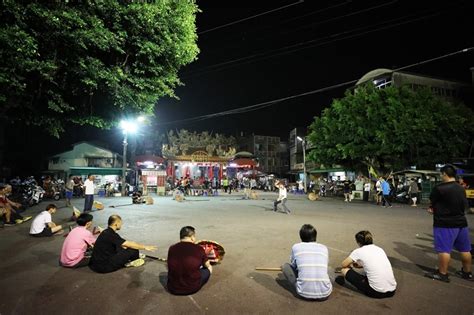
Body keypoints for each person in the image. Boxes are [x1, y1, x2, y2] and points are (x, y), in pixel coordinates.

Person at [425, 165, 472, 282]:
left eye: (441, 174)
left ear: (445, 174)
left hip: (445, 223)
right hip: (461, 222)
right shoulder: (461, 188)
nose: (441, 176)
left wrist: (432, 208)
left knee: (444, 250)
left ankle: (442, 273)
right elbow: (464, 206)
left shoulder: (439, 188)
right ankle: (467, 272)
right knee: (465, 249)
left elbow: (432, 202)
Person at [336, 230, 397, 298]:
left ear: (358, 242)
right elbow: (373, 262)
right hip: (392, 290)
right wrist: (357, 265)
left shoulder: (358, 251)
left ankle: (341, 279)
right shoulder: (380, 249)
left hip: (376, 292)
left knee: (344, 270)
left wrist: (351, 266)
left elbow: (343, 264)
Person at [89, 215, 157, 273]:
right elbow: (128, 244)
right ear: (116, 224)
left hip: (95, 265)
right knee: (133, 250)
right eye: (120, 223)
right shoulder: (111, 235)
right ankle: (134, 261)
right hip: (104, 267)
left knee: (122, 247)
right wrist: (145, 247)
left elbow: (122, 244)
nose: (121, 225)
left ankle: (132, 258)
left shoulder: (106, 232)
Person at [282, 224, 332, 300]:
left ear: (301, 237)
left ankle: (304, 285)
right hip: (325, 294)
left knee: (285, 266)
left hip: (303, 294)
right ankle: (325, 285)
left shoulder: (296, 247)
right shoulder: (324, 248)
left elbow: (293, 265)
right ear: (315, 236)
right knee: (330, 269)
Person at [167, 226, 213, 295]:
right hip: (192, 287)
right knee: (209, 268)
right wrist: (204, 255)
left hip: (173, 288)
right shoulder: (199, 249)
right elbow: (207, 265)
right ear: (192, 237)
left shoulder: (172, 248)